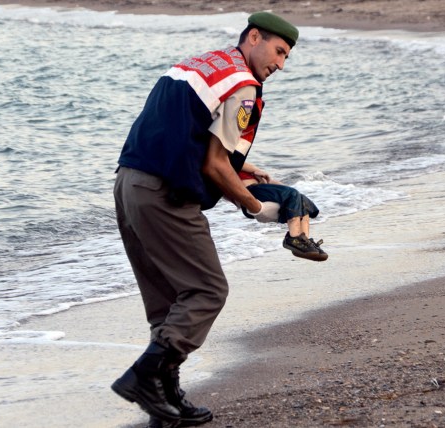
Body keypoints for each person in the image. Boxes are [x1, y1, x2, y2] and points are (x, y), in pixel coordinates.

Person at [110, 12, 299, 427]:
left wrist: (246, 172)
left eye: (286, 57)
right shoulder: (244, 86)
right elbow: (215, 166)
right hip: (163, 194)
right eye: (279, 51)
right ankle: (144, 378)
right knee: (206, 291)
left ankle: (165, 404)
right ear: (254, 37)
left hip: (129, 184)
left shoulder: (201, 63)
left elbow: (183, 133)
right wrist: (254, 206)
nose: (280, 65)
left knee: (166, 301)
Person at [238, 161, 328, 261]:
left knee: (300, 199)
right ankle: (293, 239)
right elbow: (235, 161)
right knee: (292, 193)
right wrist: (257, 170)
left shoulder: (252, 173)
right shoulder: (232, 162)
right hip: (250, 191)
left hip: (261, 189)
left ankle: (304, 242)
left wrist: (291, 194)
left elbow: (273, 184)